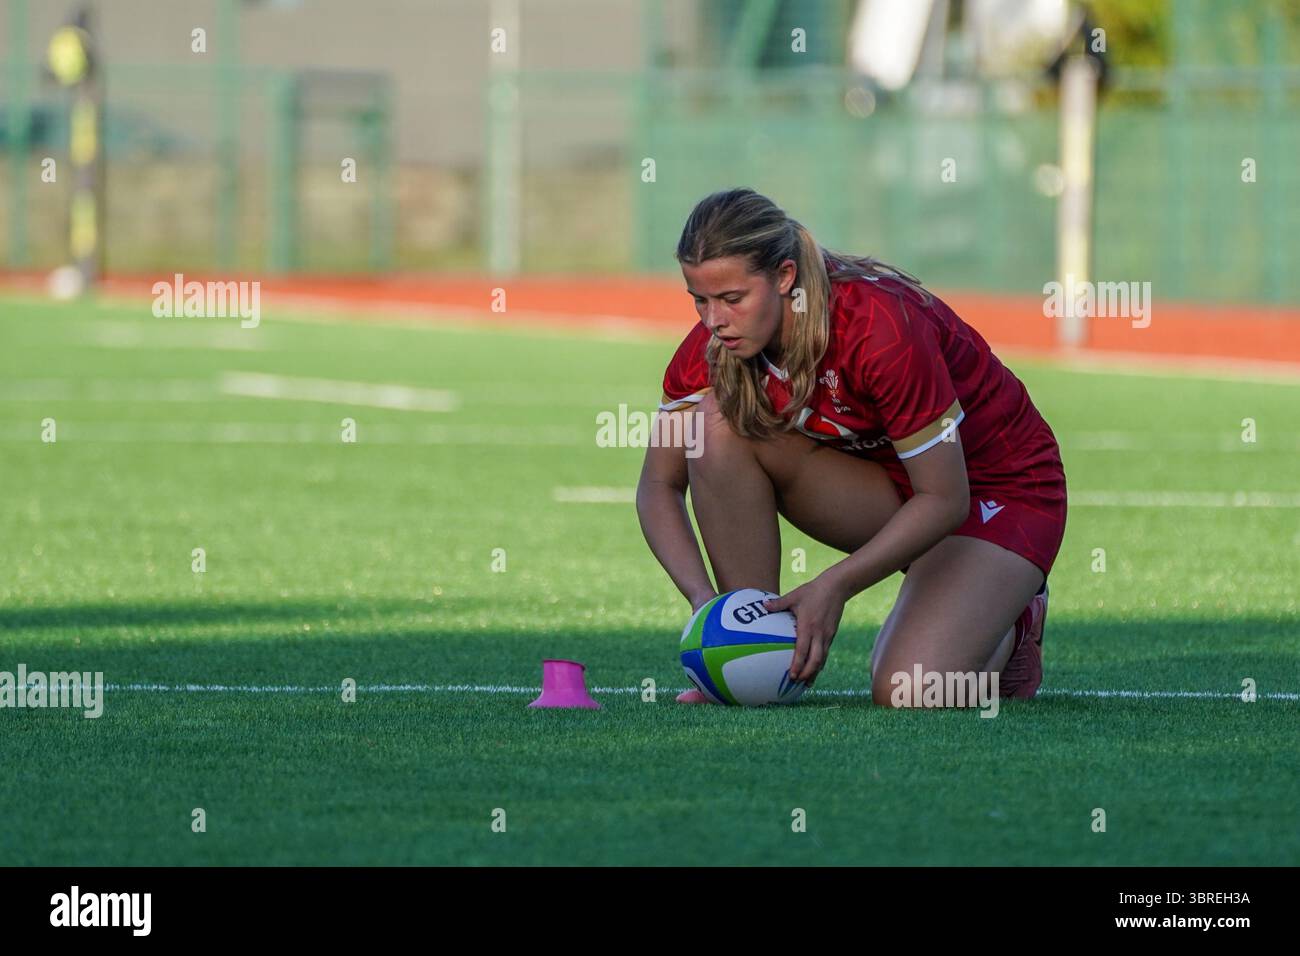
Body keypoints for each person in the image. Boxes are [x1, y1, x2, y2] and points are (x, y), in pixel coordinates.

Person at [635, 188, 1067, 706]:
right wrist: (712, 609)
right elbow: (658, 486)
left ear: (784, 277)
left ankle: (1015, 623)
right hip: (895, 489)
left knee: (909, 692)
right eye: (700, 300)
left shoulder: (880, 328)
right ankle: (756, 653)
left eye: (732, 299)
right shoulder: (712, 347)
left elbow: (945, 499)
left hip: (994, 493)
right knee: (716, 426)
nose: (713, 321)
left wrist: (832, 585)